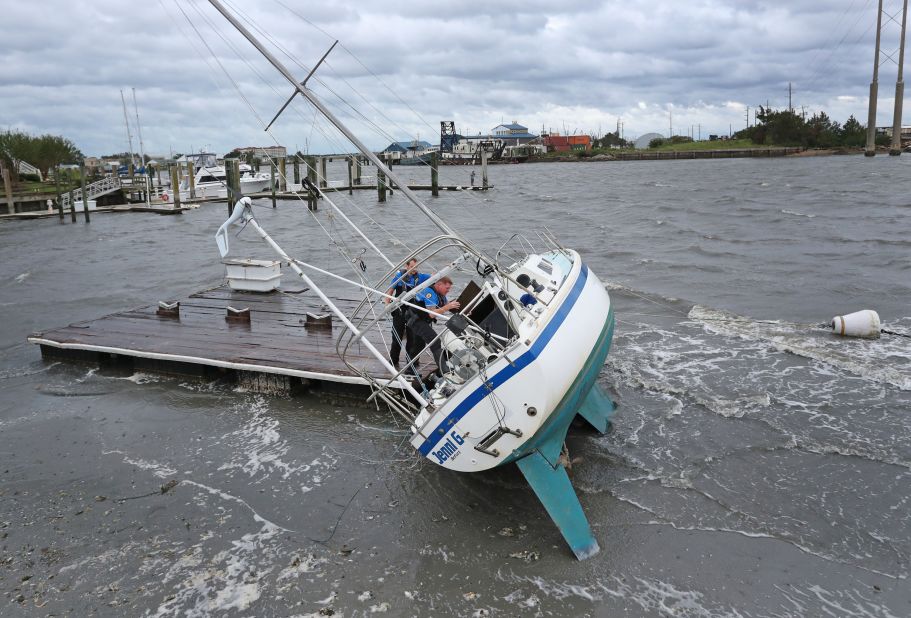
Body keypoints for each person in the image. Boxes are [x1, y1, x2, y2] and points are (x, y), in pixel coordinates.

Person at [407, 276, 461, 375]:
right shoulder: (429, 292)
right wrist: (447, 307)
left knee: (419, 345)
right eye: (447, 288)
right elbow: (432, 313)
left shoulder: (441, 294)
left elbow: (449, 306)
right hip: (415, 320)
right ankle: (443, 369)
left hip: (423, 320)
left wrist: (463, 310)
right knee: (435, 341)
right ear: (439, 285)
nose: (448, 291)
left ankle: (409, 369)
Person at [385, 259, 429, 370]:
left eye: (416, 267)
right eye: (412, 267)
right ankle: (393, 360)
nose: (414, 269)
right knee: (396, 337)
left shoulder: (422, 277)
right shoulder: (399, 277)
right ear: (407, 266)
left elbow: (436, 277)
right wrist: (387, 304)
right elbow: (390, 291)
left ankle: (412, 361)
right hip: (399, 311)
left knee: (412, 338)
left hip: (413, 313)